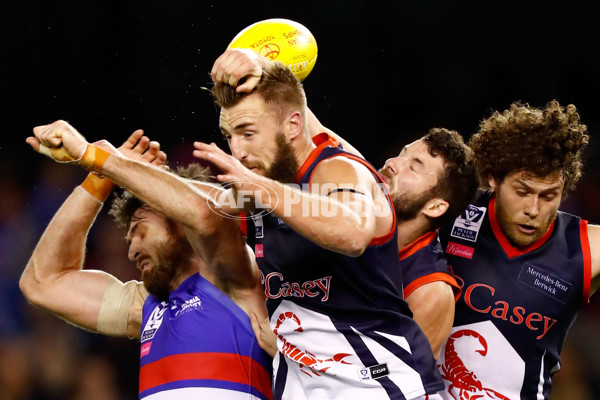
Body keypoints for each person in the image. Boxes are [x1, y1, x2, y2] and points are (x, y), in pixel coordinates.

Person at [193, 48, 445, 400]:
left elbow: (350, 228)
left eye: (414, 166)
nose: (392, 163)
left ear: (437, 206)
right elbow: (293, 122)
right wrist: (262, 67)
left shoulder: (430, 278)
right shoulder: (336, 185)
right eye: (401, 153)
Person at [20, 126, 273, 400]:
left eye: (140, 232)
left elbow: (204, 214)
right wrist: (98, 179)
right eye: (130, 240)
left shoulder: (232, 279)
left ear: (180, 223)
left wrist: (98, 157)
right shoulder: (145, 307)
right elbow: (42, 282)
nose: (132, 252)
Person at [436, 100, 599, 400]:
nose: (533, 210)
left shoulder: (588, 247)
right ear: (494, 178)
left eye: (549, 196)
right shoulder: (451, 210)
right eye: (522, 192)